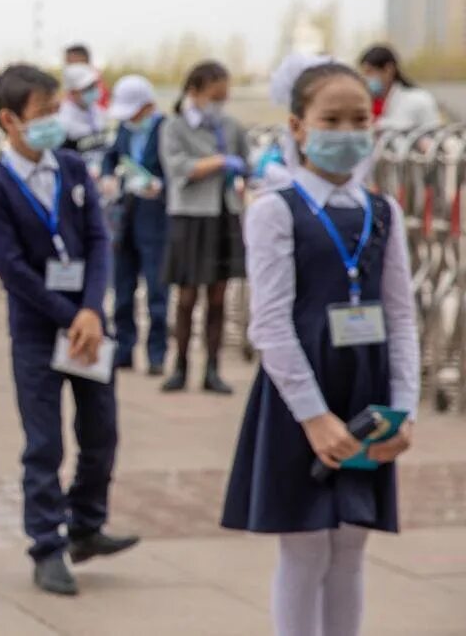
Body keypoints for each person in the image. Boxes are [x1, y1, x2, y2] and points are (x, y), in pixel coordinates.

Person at [221, 62, 418, 636]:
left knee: (351, 544)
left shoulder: (384, 211)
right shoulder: (274, 209)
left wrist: (402, 408)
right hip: (300, 396)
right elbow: (270, 325)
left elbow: (402, 316)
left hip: (366, 390)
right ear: (298, 127)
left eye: (359, 119)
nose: (347, 132)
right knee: (304, 546)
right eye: (330, 120)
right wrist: (312, 417)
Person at [0, 63, 138, 597]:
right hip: (39, 333)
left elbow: (97, 242)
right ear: (9, 120)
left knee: (101, 435)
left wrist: (91, 311)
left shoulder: (71, 167)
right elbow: (13, 270)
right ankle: (47, 545)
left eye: (54, 112)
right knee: (44, 445)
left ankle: (87, 526)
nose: (52, 123)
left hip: (91, 328)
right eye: (41, 114)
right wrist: (70, 318)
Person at [159, 60, 249, 395]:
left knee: (218, 296)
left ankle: (213, 368)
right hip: (190, 215)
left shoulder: (230, 127)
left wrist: (251, 168)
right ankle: (180, 365)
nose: (219, 103)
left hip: (223, 211)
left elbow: (248, 164)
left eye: (224, 97)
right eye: (214, 95)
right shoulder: (174, 127)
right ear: (194, 92)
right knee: (185, 296)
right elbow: (178, 168)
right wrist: (219, 161)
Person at [102, 75, 169, 375]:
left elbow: (177, 168)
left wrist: (161, 185)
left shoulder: (167, 129)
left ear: (148, 106)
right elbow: (110, 156)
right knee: (123, 287)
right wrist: (108, 176)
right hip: (125, 213)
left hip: (156, 215)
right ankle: (124, 348)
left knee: (157, 288)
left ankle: (157, 353)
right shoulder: (124, 131)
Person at [358, 44, 441, 132]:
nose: (366, 78)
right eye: (363, 73)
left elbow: (434, 137)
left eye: (369, 72)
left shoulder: (418, 100)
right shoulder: (371, 103)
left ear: (388, 69)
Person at [58, 63, 110, 175]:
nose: (93, 90)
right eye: (87, 88)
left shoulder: (99, 111)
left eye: (94, 86)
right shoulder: (63, 121)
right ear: (72, 92)